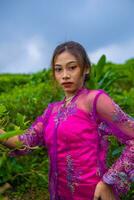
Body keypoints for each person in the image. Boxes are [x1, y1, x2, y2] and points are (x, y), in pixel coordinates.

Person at [0, 41, 134, 200]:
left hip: (93, 194)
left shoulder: (95, 100)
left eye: (72, 67)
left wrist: (108, 182)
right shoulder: (51, 111)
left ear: (86, 68)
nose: (65, 75)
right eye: (58, 69)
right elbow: (24, 142)